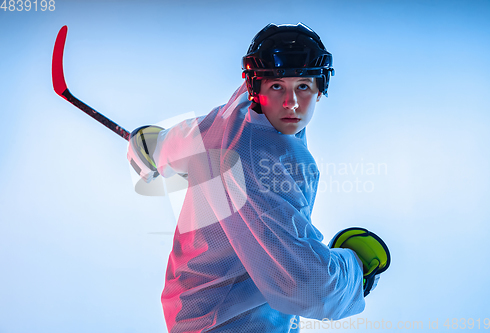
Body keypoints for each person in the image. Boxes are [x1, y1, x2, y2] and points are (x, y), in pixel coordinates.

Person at [128, 22, 371, 333]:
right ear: (255, 88)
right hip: (231, 325)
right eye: (277, 87)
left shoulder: (231, 116)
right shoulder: (260, 165)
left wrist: (151, 148)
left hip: (198, 313)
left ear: (321, 89)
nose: (291, 103)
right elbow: (306, 285)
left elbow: (186, 139)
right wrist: (357, 270)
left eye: (303, 86)